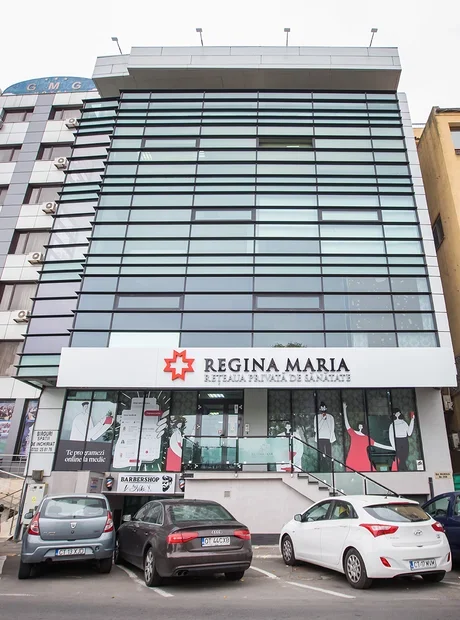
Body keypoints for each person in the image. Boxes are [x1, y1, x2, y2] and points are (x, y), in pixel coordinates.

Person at [343, 402, 393, 471]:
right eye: (359, 425)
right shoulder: (354, 433)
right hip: (353, 457)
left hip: (362, 459)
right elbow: (347, 424)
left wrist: (392, 448)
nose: (360, 426)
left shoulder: (366, 438)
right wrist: (344, 409)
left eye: (361, 425)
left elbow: (379, 445)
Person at [388, 407, 415, 471]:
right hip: (397, 442)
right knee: (400, 458)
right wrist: (394, 446)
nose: (398, 414)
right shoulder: (392, 425)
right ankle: (403, 469)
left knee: (404, 457)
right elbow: (391, 437)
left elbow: (409, 433)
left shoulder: (404, 423)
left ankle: (402, 469)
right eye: (396, 413)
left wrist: (412, 420)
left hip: (405, 441)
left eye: (398, 413)